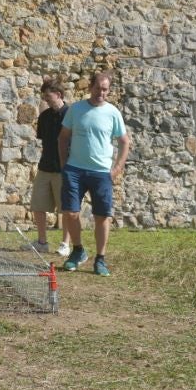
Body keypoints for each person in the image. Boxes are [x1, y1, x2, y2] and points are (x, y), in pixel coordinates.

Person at [58, 70, 130, 277]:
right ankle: (78, 251)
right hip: (74, 170)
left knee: (102, 216)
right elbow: (63, 137)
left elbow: (124, 142)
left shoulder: (113, 113)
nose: (101, 93)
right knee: (71, 212)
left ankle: (100, 259)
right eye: (98, 88)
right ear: (90, 87)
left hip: (101, 172)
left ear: (109, 90)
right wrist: (64, 164)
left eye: (105, 89)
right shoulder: (76, 109)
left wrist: (117, 168)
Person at [30, 78, 71, 256]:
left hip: (64, 169)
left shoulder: (71, 115)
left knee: (67, 208)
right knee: (38, 205)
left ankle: (65, 244)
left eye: (48, 96)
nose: (45, 99)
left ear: (58, 94)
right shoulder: (44, 116)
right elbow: (44, 141)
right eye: (44, 96)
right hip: (45, 167)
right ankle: (42, 242)